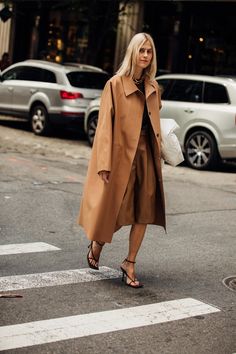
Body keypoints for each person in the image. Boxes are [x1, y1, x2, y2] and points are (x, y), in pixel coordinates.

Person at [78, 32, 166, 288]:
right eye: (142, 51)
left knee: (144, 211)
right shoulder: (115, 84)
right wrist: (104, 163)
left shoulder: (153, 86)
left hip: (146, 155)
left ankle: (130, 262)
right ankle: (97, 243)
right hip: (120, 156)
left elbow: (155, 121)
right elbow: (104, 126)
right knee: (114, 207)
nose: (146, 56)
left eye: (149, 52)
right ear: (132, 53)